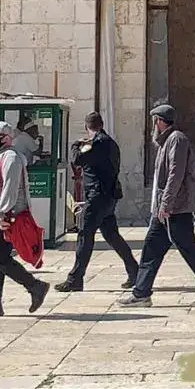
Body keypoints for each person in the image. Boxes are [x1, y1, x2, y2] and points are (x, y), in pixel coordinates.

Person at [120, 105, 195, 307]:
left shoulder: (177, 140)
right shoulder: (166, 142)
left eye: (154, 122)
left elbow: (175, 175)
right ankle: (141, 293)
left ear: (159, 121)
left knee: (189, 248)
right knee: (151, 248)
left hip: (176, 208)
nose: (153, 127)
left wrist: (166, 203)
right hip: (163, 210)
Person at [0, 122, 49, 316]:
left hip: (3, 218)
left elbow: (10, 188)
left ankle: (35, 286)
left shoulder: (11, 158)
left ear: (6, 138)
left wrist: (1, 213)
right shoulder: (0, 156)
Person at [54, 112, 138, 293]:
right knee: (112, 236)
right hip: (109, 196)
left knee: (85, 234)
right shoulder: (110, 143)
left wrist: (76, 145)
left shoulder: (97, 144)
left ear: (87, 127)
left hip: (97, 197)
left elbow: (76, 160)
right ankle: (135, 271)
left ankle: (75, 279)